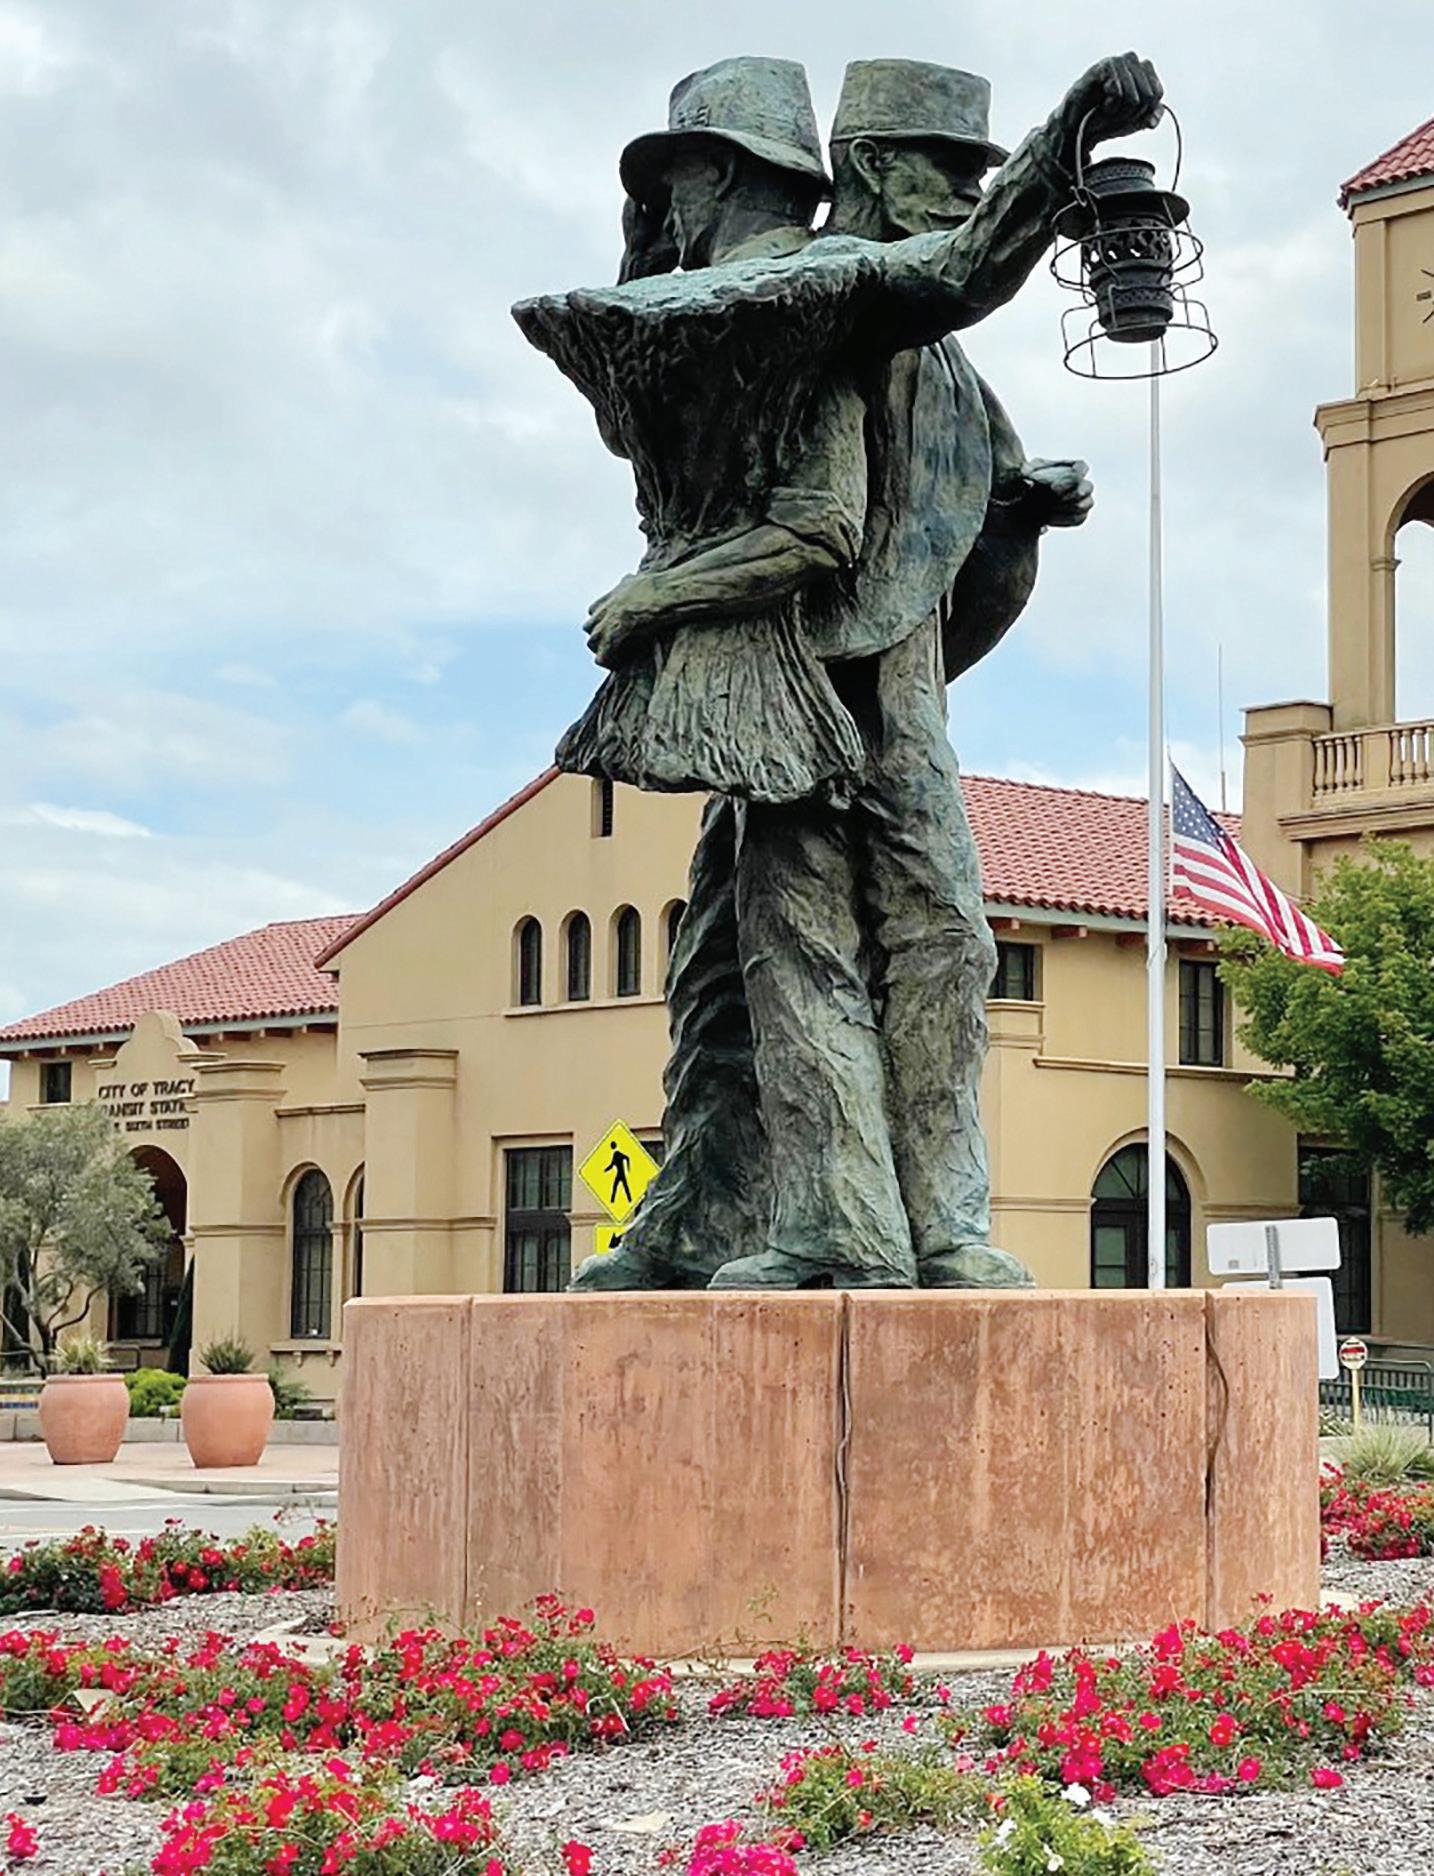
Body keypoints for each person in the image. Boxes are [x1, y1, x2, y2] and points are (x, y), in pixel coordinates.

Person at [522, 52, 1163, 1288]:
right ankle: (803, 1224)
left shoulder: (916, 345)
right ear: (867, 163)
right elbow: (697, 419)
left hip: (887, 688)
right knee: (760, 959)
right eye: (947, 170)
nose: (963, 194)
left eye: (978, 177)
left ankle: (916, 1225)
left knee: (924, 942)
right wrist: (1070, 135)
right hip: (796, 688)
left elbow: (934, 502)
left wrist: (1023, 503)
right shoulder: (819, 290)